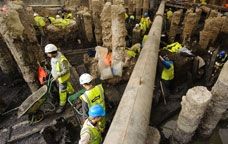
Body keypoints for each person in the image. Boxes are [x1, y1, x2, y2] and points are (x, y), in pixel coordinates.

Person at [45, 44, 74, 113]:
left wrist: (58, 75)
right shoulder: (53, 58)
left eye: (48, 53)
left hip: (63, 78)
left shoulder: (62, 60)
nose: (47, 55)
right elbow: (54, 67)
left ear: (52, 52)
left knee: (62, 92)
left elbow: (66, 70)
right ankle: (72, 94)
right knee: (67, 85)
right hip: (59, 78)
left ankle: (62, 105)